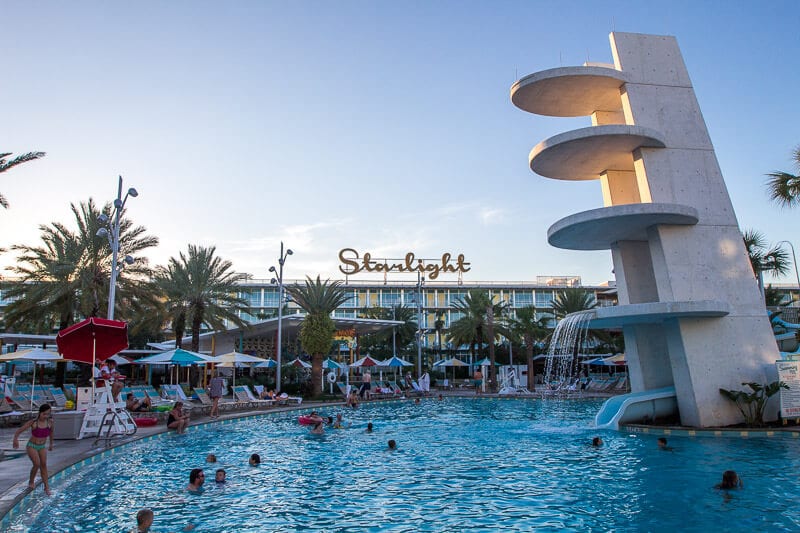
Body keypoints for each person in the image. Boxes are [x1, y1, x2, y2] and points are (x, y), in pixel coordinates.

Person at [13, 403, 54, 495]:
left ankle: (46, 488)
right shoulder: (34, 422)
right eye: (44, 414)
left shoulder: (50, 422)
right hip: (32, 446)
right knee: (37, 464)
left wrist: (51, 444)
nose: (46, 416)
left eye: (48, 414)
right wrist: (15, 439)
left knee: (43, 465)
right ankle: (31, 481)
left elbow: (51, 433)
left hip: (42, 446)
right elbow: (19, 431)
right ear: (40, 413)